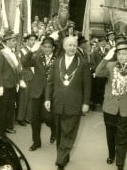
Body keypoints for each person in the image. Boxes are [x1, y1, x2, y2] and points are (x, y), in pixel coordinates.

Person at [44, 36, 91, 170]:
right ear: (64, 47)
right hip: (57, 102)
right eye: (69, 45)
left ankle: (60, 161)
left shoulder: (83, 63)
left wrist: (86, 103)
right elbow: (50, 83)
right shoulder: (57, 62)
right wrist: (47, 99)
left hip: (74, 104)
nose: (72, 48)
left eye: (74, 45)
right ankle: (64, 154)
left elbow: (87, 85)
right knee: (59, 132)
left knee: (69, 132)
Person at [95, 42, 127, 170]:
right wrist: (106, 57)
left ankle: (120, 162)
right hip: (110, 106)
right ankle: (111, 154)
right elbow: (97, 72)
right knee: (110, 133)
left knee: (122, 135)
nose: (121, 56)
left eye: (124, 54)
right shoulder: (110, 65)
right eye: (119, 54)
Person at [22, 37, 57, 151]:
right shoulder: (37, 57)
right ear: (41, 47)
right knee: (35, 119)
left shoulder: (58, 59)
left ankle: (54, 130)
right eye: (45, 47)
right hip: (37, 92)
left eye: (49, 47)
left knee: (49, 117)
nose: (47, 49)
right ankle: (36, 142)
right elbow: (24, 62)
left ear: (53, 48)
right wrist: (32, 50)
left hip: (51, 93)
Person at [0, 30, 21, 134]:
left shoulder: (13, 53)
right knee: (2, 108)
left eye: (15, 41)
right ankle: (1, 129)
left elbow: (17, 69)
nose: (15, 43)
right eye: (13, 41)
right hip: (4, 85)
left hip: (12, 84)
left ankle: (8, 126)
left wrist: (17, 82)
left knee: (10, 107)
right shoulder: (1, 54)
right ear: (7, 41)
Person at [16, 33, 38, 126]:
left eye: (34, 40)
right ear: (26, 41)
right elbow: (22, 64)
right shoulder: (22, 51)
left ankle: (28, 117)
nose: (33, 42)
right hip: (25, 75)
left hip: (33, 75)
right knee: (23, 98)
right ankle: (20, 118)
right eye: (31, 40)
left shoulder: (35, 51)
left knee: (30, 98)